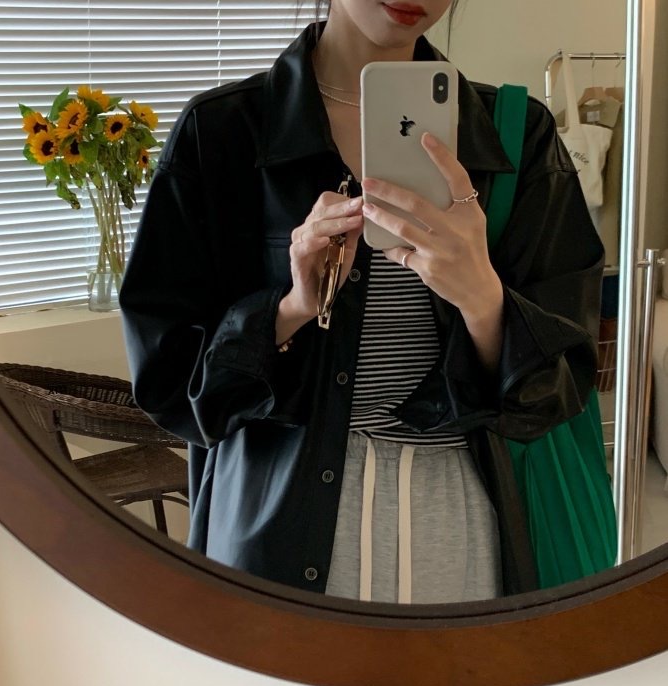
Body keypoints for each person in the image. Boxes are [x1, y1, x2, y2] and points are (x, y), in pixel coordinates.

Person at [119, 0, 604, 603]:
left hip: (460, 520)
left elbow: (559, 387)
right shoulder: (221, 133)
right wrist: (290, 308)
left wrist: (483, 299)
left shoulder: (517, 137)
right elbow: (169, 385)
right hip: (278, 520)